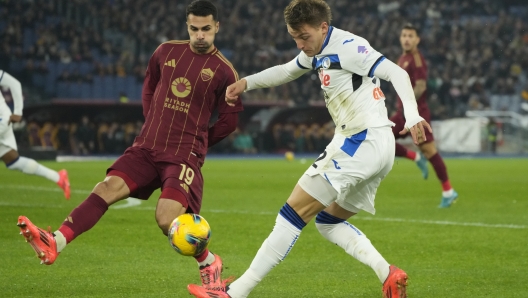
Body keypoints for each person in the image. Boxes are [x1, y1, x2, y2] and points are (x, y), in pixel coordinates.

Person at [187, 0, 431, 297]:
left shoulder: (349, 46)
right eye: (294, 38)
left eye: (304, 37)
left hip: (360, 142)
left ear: (323, 27)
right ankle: (388, 274)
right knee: (328, 222)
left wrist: (412, 114)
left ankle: (234, 293)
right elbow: (287, 71)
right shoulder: (316, 50)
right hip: (374, 146)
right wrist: (246, 84)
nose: (300, 44)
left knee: (292, 213)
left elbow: (398, 74)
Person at [17, 0, 243, 292]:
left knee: (167, 220)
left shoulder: (225, 72)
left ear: (217, 27)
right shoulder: (165, 51)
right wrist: (152, 123)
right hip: (147, 147)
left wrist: (198, 141)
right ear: (187, 26)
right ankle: (55, 242)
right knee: (106, 188)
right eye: (194, 29)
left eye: (206, 29)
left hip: (183, 155)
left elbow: (228, 121)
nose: (200, 35)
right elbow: (149, 87)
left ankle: (208, 261)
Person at [390, 24, 458, 208]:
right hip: (401, 114)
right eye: (404, 35)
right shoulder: (402, 58)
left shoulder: (416, 59)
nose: (406, 39)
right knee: (381, 137)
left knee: (430, 151)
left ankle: (448, 191)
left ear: (417, 39)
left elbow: (420, 86)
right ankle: (415, 157)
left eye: (410, 36)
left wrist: (407, 105)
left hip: (416, 114)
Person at [0, 70, 70, 199]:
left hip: (1, 120)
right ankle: (58, 177)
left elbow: (14, 83)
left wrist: (18, 112)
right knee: (13, 161)